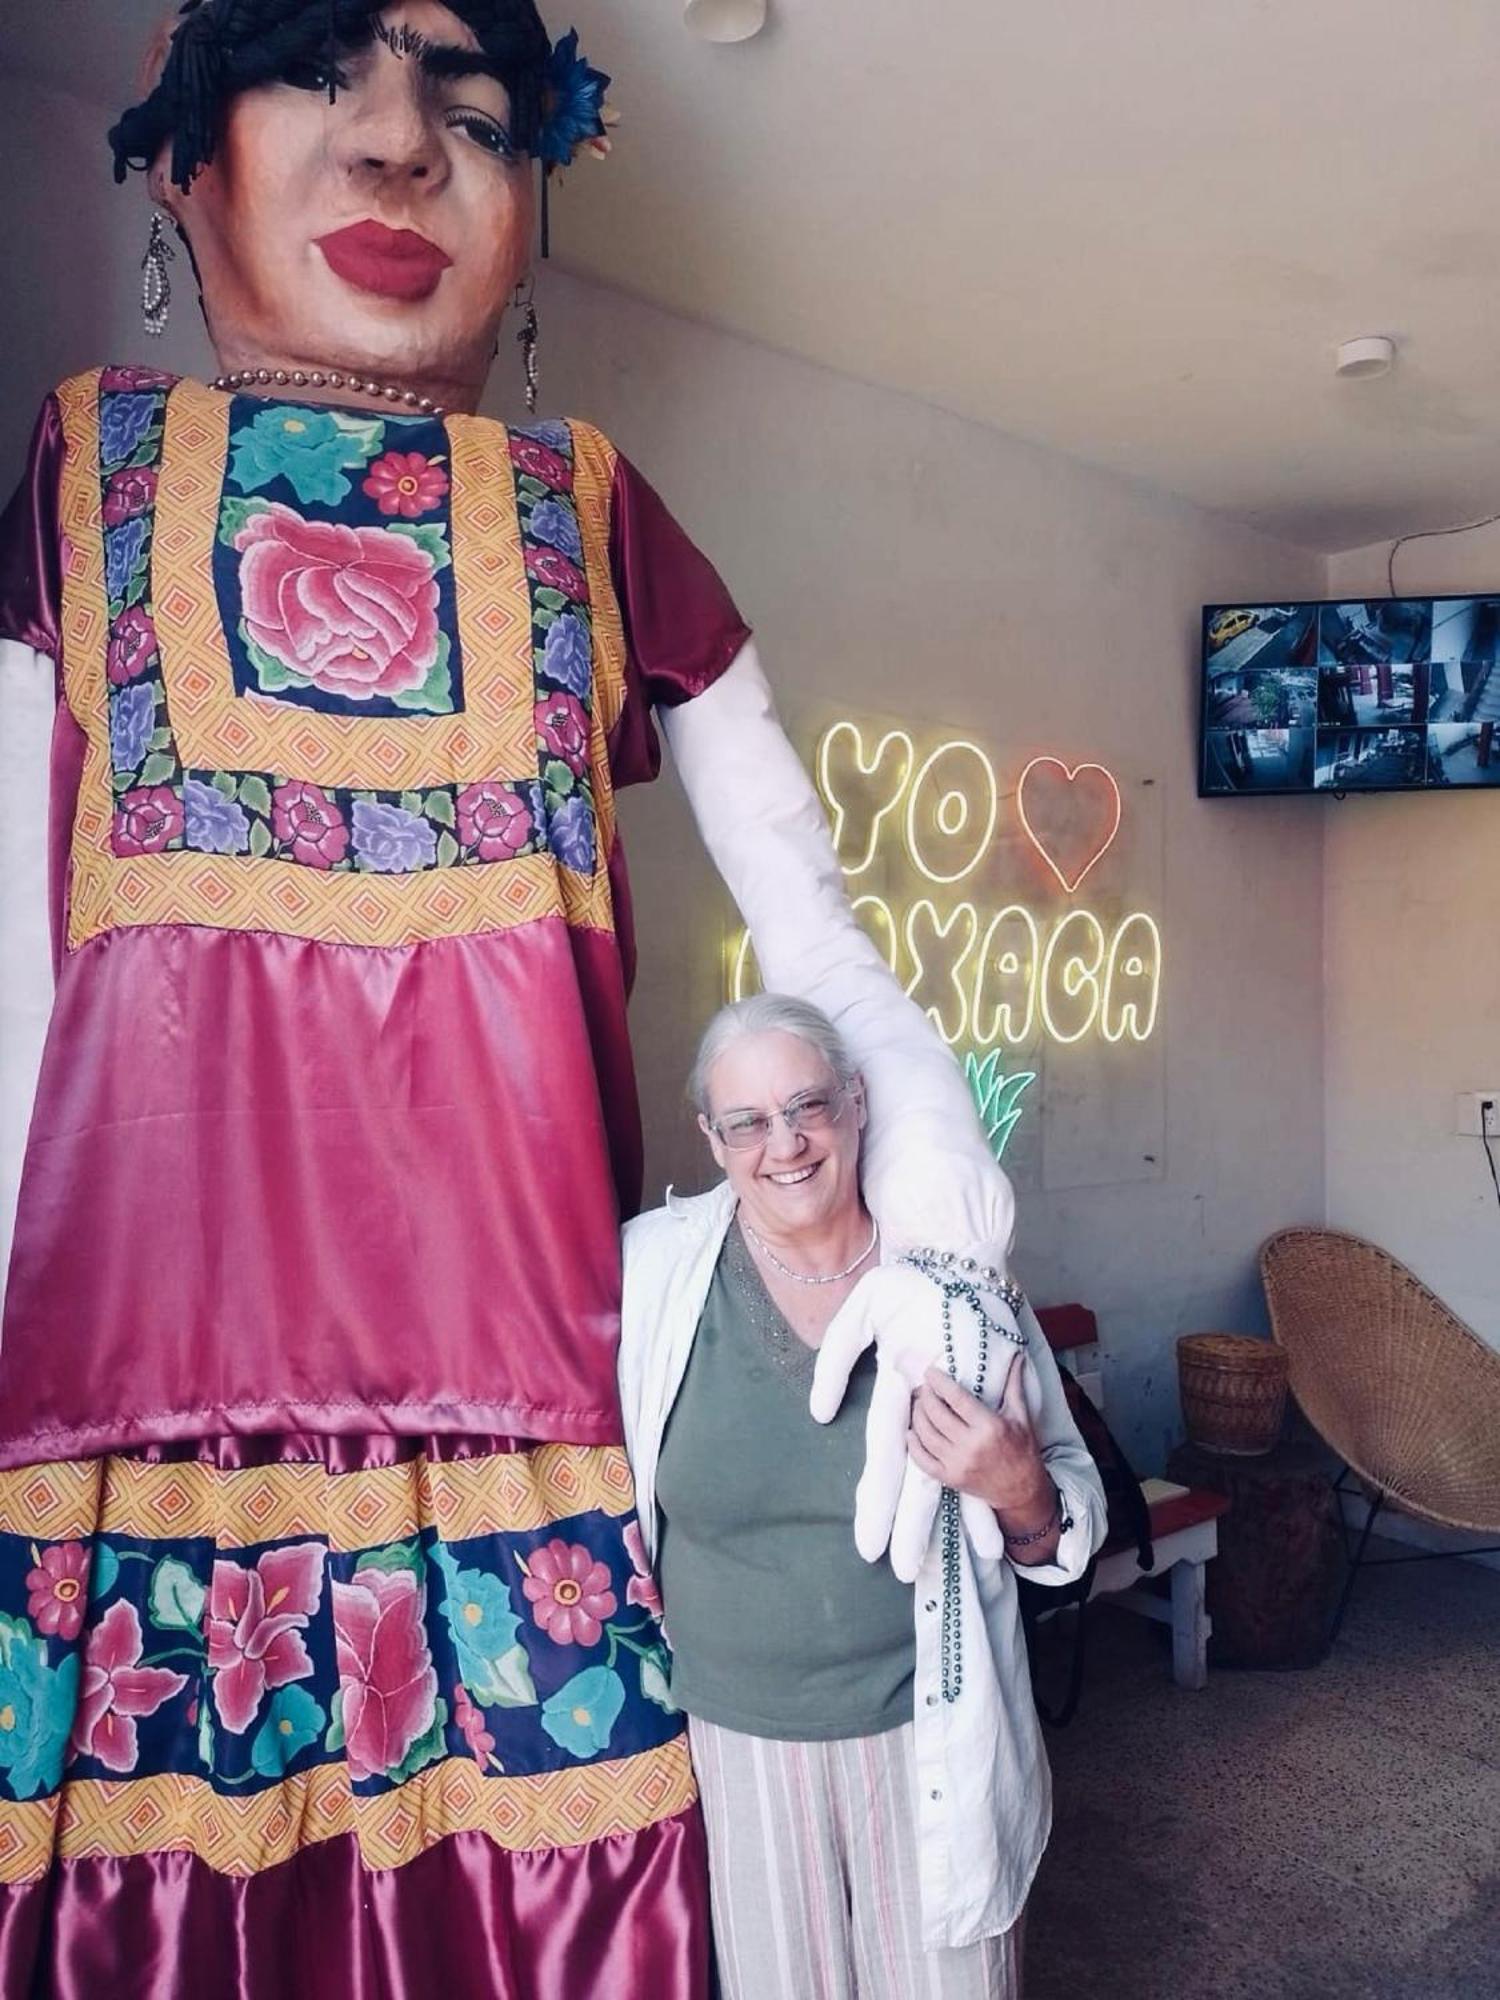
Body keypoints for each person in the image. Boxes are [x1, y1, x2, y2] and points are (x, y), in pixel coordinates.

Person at [0, 1, 1052, 1990]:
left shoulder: (589, 508)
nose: (399, 150)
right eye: (320, 78)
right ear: (179, 163)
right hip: (143, 1404)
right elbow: (12, 982)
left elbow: (816, 946)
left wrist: (927, 1214)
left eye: (473, 117)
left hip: (539, 1411)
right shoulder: (88, 472)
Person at [619, 995, 1108, 2000]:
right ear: (711, 1137)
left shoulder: (958, 1272)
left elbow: (1066, 1509)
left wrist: (1020, 1490)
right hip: (740, 1744)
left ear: (856, 1103)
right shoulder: (655, 1272)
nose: (784, 1142)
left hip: (927, 1729)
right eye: (746, 1120)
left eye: (808, 1104)